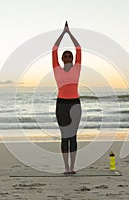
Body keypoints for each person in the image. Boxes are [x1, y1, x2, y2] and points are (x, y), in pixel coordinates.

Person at [52, 21, 82, 174]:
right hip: (62, 105)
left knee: (73, 136)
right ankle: (66, 167)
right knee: (65, 136)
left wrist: (70, 33)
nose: (68, 56)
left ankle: (73, 167)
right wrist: (63, 33)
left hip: (75, 104)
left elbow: (78, 48)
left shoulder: (77, 67)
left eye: (70, 55)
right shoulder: (57, 69)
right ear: (62, 59)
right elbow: (54, 49)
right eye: (66, 55)